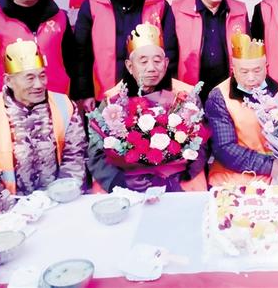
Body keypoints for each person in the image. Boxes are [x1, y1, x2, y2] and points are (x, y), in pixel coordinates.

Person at [0, 39, 87, 227]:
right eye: (30, 78)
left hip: (61, 206)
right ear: (8, 80)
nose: (39, 84)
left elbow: (75, 158)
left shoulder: (64, 105)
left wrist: (60, 202)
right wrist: (16, 213)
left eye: (42, 75)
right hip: (8, 217)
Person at [87, 23, 208, 192]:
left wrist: (179, 174)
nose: (151, 68)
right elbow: (96, 153)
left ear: (166, 63)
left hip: (177, 177)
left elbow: (201, 144)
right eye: (143, 61)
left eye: (157, 61)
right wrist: (120, 181)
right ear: (130, 66)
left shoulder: (186, 96)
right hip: (128, 179)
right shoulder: (111, 102)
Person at [74, 0, 178, 110]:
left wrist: (166, 92)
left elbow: (170, 52)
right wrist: (85, 93)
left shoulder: (159, 5)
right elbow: (81, 54)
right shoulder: (93, 5)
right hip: (105, 93)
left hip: (151, 95)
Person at [205, 33, 278, 186]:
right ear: (233, 70)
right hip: (234, 174)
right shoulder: (219, 96)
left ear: (266, 68)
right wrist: (269, 166)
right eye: (244, 71)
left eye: (257, 70)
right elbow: (224, 148)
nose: (251, 78)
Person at [172, 0, 249, 102]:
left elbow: (247, 55)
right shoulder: (178, 10)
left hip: (229, 92)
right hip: (189, 90)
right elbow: (170, 56)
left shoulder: (240, 11)